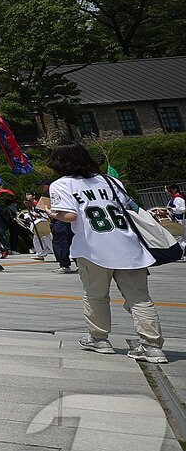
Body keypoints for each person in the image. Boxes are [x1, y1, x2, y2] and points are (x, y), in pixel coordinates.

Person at [47, 144, 167, 363]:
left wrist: (51, 212)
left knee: (95, 295)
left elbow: (70, 216)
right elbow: (129, 206)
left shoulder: (61, 185)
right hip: (128, 246)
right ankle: (152, 346)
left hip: (93, 249)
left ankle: (99, 339)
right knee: (139, 297)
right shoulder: (111, 181)